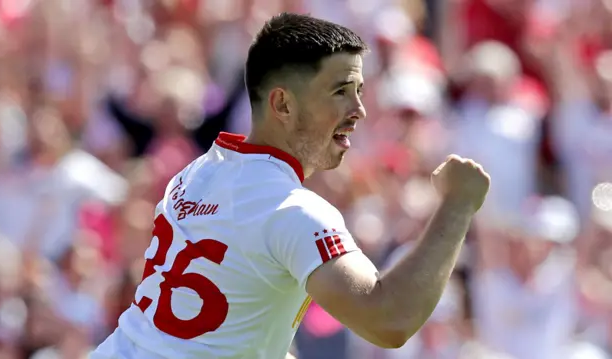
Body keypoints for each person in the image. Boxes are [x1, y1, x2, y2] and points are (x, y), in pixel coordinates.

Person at [89, 13, 490, 359]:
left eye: (359, 92)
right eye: (339, 92)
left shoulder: (196, 174)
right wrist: (458, 205)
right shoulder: (295, 211)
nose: (359, 111)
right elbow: (390, 320)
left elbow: (230, 320)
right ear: (282, 104)